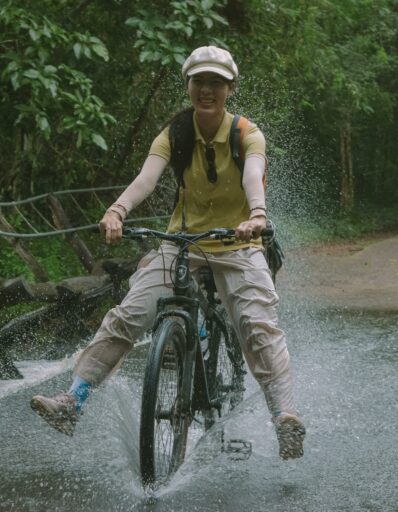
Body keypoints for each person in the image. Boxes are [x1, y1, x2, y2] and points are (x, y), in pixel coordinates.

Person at [30, 46, 306, 460]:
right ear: (188, 85)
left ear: (230, 88)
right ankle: (73, 401)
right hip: (182, 242)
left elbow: (253, 176)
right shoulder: (174, 133)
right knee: (129, 315)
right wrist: (117, 210)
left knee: (257, 325)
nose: (206, 90)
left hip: (238, 242)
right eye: (199, 81)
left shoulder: (247, 133)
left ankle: (285, 418)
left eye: (216, 82)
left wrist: (258, 214)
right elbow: (146, 178)